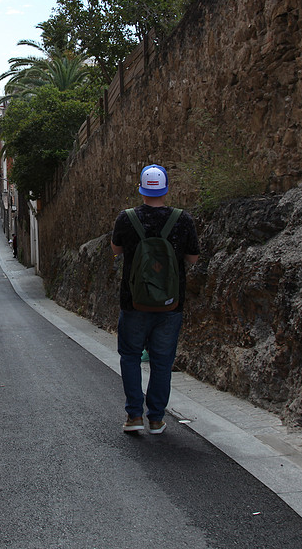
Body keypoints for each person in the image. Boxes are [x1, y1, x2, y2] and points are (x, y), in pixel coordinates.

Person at [110, 165, 199, 435]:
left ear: (141, 188)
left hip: (133, 302)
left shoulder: (126, 219)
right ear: (165, 188)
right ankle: (157, 418)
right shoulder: (182, 220)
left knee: (130, 356)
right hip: (171, 304)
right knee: (162, 361)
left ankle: (134, 415)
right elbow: (193, 258)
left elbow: (116, 250)